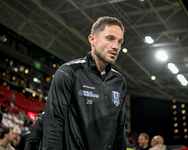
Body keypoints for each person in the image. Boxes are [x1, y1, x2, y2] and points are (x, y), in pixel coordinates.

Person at [43, 16, 126, 150]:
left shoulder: (119, 81)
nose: (116, 46)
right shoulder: (68, 72)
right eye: (110, 38)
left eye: (120, 41)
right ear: (92, 40)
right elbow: (53, 125)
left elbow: (119, 131)